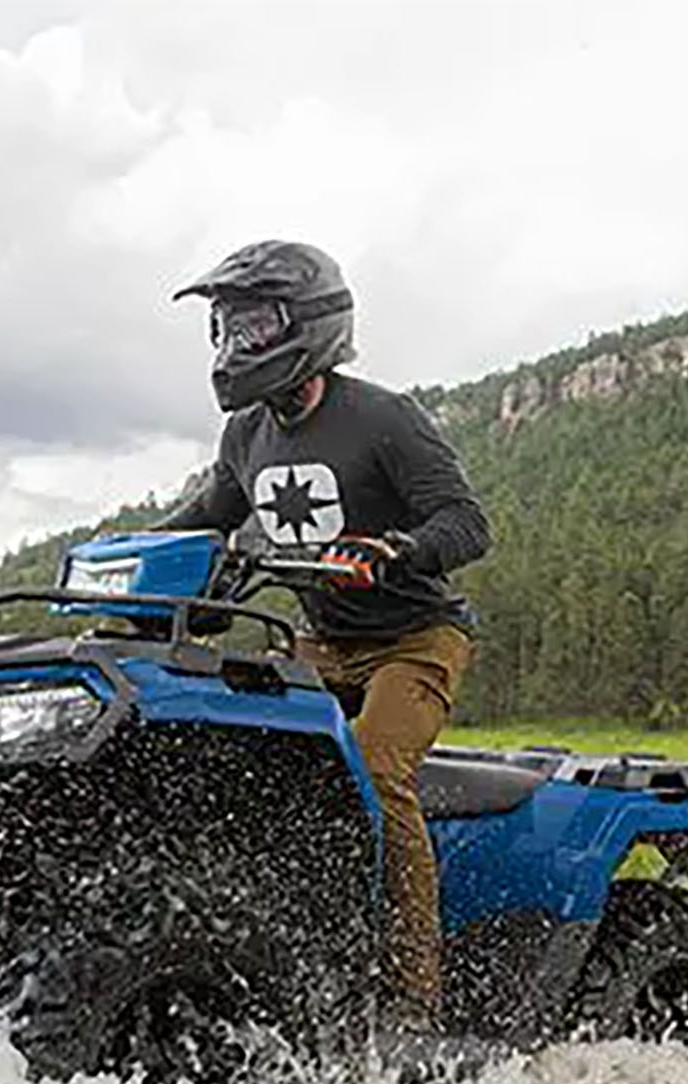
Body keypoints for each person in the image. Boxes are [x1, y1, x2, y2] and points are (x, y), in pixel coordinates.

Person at [157, 239, 491, 1032]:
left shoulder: (383, 418)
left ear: (308, 325)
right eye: (227, 327)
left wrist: (400, 550)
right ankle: (284, 953)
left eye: (256, 325)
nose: (237, 345)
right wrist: (130, 557)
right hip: (315, 645)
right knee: (251, 774)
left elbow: (467, 522)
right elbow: (209, 517)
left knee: (375, 770)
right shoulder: (246, 435)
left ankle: (412, 994)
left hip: (413, 639)